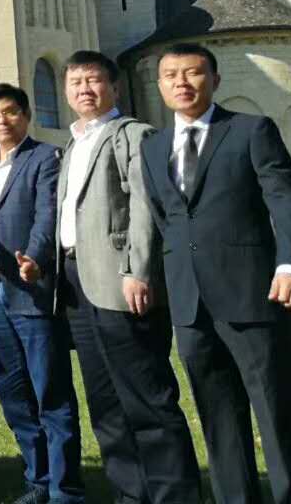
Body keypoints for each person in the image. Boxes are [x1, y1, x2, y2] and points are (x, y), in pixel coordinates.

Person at [142, 43, 291, 504]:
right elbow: (167, 219)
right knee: (217, 414)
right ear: (159, 85)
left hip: (252, 293)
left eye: (193, 72)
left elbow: (284, 198)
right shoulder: (153, 147)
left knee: (278, 408)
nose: (181, 82)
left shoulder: (250, 130)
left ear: (215, 80)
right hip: (190, 302)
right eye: (170, 75)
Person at [56, 52, 202, 504]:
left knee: (147, 397)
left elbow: (144, 205)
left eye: (94, 80)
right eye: (76, 82)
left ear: (115, 88)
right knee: (105, 401)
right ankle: (131, 494)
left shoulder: (134, 134)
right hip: (78, 282)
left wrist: (138, 270)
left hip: (120, 281)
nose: (84, 89)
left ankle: (174, 495)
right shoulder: (73, 143)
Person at [0, 84, 82, 504]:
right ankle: (37, 480)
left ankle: (65, 490)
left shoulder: (44, 158)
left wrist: (36, 258)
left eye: (10, 112)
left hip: (29, 287)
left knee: (50, 390)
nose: (1, 121)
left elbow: (46, 213)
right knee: (13, 392)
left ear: (26, 115)